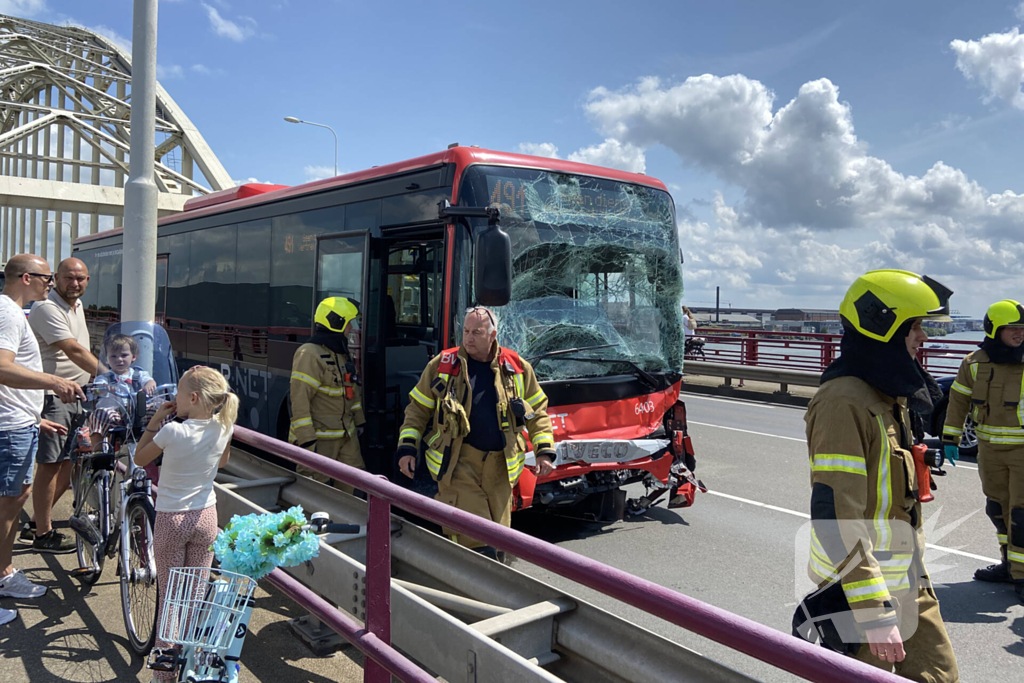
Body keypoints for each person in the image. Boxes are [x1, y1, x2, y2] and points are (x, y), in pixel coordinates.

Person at [795, 269, 958, 682]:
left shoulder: (887, 393)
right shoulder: (843, 402)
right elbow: (836, 514)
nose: (923, 337)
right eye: (915, 326)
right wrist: (873, 612)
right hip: (864, 592)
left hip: (907, 577)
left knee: (940, 676)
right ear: (884, 326)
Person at [396, 307, 556, 556]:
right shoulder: (442, 365)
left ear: (493, 335)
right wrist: (407, 447)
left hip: (500, 470)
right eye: (466, 331)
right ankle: (475, 590)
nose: (468, 338)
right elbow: (417, 410)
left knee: (499, 539)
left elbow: (538, 412)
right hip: (459, 465)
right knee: (476, 540)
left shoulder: (516, 367)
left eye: (476, 332)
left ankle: (487, 590)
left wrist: (544, 450)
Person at [135, 366, 238, 681]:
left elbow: (140, 458)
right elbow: (222, 462)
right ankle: (191, 664)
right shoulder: (224, 428)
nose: (174, 399)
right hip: (206, 517)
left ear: (193, 398)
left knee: (170, 597)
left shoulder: (172, 431)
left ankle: (164, 674)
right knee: (194, 594)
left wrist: (155, 420)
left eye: (178, 394)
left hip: (171, 518)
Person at [0, 255, 84, 626]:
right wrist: (54, 382)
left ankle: (5, 575)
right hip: (9, 429)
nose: (50, 284)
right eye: (47, 278)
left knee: (13, 506)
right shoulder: (8, 313)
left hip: (20, 422)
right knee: (5, 510)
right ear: (26, 277)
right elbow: (1, 368)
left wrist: (35, 418)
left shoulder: (15, 312)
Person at [942, 299, 1024, 601]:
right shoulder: (974, 363)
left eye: (1022, 329)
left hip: (1022, 452)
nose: (1019, 334)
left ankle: (1022, 575)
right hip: (988, 452)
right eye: (1012, 329)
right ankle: (1009, 564)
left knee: (1022, 515)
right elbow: (958, 401)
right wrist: (950, 439)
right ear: (994, 330)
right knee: (998, 510)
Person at [22, 258, 100, 553]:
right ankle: (43, 534)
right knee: (51, 464)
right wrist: (116, 376)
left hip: (79, 394)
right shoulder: (46, 308)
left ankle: (36, 520)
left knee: (71, 464)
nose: (75, 283)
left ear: (88, 280)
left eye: (81, 279)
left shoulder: (76, 306)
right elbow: (73, 349)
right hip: (55, 396)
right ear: (55, 278)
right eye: (69, 278)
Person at [288, 297, 365, 494]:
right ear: (337, 323)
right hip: (319, 439)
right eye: (348, 322)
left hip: (346, 435)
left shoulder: (339, 353)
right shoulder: (309, 354)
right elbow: (299, 400)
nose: (351, 328)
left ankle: (344, 524)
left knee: (354, 481)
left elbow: (351, 391)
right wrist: (306, 440)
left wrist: (360, 421)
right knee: (314, 492)